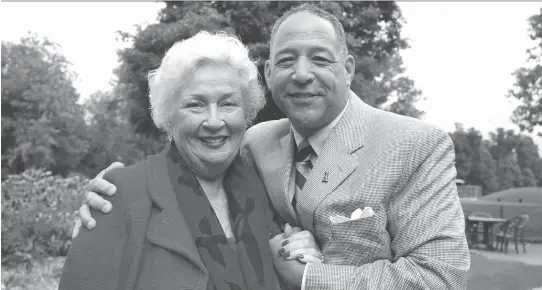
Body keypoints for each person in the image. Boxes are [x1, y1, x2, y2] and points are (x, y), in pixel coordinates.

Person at [74, 4, 470, 289]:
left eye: (319, 58)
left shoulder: (417, 144)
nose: (301, 75)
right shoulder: (255, 144)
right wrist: (114, 188)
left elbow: (441, 277)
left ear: (348, 69)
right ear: (268, 73)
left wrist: (312, 279)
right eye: (285, 61)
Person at [59, 31, 321, 290]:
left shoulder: (267, 190)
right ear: (169, 116)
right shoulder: (118, 195)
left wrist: (304, 256)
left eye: (228, 104)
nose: (215, 121)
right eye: (195, 105)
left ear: (247, 113)